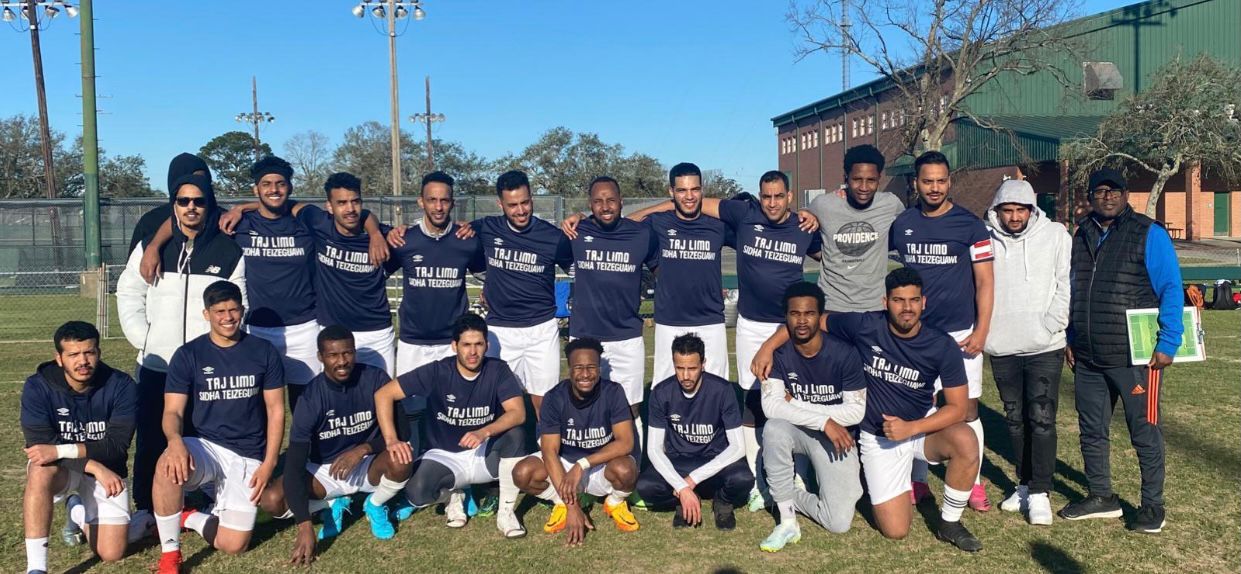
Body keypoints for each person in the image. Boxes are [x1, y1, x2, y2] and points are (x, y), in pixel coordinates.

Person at [601, 169, 819, 510]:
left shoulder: (723, 225)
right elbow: (626, 222)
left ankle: (729, 467)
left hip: (714, 322)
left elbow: (824, 249)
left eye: (695, 190)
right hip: (671, 323)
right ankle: (663, 468)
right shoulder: (660, 223)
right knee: (666, 394)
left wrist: (813, 214)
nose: (689, 196)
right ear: (671, 192)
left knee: (722, 396)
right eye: (681, 190)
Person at [1059, 168, 1183, 534]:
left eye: (1115, 190)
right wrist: (1071, 336)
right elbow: (1075, 288)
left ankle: (1152, 505)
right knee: (1091, 430)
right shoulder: (1082, 233)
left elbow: (1171, 288)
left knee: (1144, 431)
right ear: (1090, 196)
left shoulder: (1148, 232)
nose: (1108, 196)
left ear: (1126, 194)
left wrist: (1169, 341)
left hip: (1135, 358)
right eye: (1100, 191)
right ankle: (1102, 496)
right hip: (1088, 356)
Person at [116, 171, 246, 518]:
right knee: (152, 437)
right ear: (174, 204)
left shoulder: (228, 250)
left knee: (204, 436)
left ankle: (205, 500)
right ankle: (147, 507)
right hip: (157, 364)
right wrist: (145, 339)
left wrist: (220, 351)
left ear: (208, 205)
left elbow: (239, 304)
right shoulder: (151, 246)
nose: (191, 207)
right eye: (183, 200)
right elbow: (129, 292)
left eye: (198, 201)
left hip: (206, 367)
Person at [827, 268, 982, 552]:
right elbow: (814, 320)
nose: (907, 308)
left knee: (965, 438)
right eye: (898, 300)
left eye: (913, 300)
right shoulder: (864, 325)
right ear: (885, 302)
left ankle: (949, 523)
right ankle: (878, 482)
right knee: (896, 531)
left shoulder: (941, 344)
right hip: (879, 437)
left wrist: (911, 428)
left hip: (919, 429)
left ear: (924, 302)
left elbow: (959, 408)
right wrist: (768, 349)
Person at [151, 281, 285, 573]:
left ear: (242, 310)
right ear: (206, 314)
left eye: (233, 310)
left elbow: (276, 410)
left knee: (234, 544)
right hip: (206, 446)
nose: (227, 317)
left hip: (248, 452)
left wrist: (269, 463)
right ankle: (170, 554)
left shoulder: (263, 351)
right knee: (167, 464)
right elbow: (172, 411)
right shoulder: (189, 354)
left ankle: (189, 517)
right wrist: (175, 441)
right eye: (219, 311)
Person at [889, 151, 995, 510]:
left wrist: (981, 330)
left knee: (967, 409)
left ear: (949, 182)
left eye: (940, 181)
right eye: (927, 181)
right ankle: (916, 480)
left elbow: (985, 281)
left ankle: (973, 482)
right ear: (915, 183)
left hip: (960, 334)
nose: (934, 188)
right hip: (914, 335)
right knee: (918, 407)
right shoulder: (902, 223)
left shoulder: (971, 226)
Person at [258, 326, 412, 564]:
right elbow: (295, 466)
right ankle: (330, 504)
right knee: (271, 500)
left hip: (366, 463)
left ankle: (375, 504)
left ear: (355, 352)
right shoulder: (310, 398)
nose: (342, 361)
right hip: (324, 471)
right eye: (333, 355)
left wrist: (362, 449)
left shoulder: (375, 379)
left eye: (347, 353)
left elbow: (403, 432)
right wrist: (304, 525)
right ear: (320, 357)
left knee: (401, 457)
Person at [373, 313, 529, 538]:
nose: (473, 352)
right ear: (454, 346)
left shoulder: (498, 370)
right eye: (466, 345)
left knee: (515, 435)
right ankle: (453, 495)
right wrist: (391, 440)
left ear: (487, 345)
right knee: (416, 492)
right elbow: (384, 394)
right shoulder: (437, 371)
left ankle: (506, 513)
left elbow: (518, 413)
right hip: (444, 455)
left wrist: (484, 432)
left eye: (478, 344)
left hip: (483, 453)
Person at [983, 179, 1071, 525]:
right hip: (1002, 344)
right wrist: (987, 332)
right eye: (1008, 210)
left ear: (1032, 210)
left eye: (1021, 210)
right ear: (998, 211)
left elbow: (1065, 283)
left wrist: (1051, 324)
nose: (1015, 217)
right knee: (1015, 418)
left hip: (1045, 345)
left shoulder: (1055, 235)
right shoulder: (984, 237)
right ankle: (1023, 484)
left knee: (1042, 417)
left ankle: (1040, 492)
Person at [757, 283, 866, 552]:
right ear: (786, 317)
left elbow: (855, 411)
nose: (802, 321)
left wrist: (796, 404)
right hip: (802, 431)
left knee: (838, 522)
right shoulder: (776, 354)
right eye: (795, 314)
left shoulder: (845, 353)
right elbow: (771, 407)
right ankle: (787, 520)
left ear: (820, 316)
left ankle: (781, 491)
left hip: (836, 438)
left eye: (809, 313)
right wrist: (824, 421)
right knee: (774, 428)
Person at [22, 321, 137, 574]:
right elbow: (40, 449)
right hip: (67, 469)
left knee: (111, 553)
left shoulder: (121, 385)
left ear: (99, 352)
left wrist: (61, 451)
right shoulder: (38, 386)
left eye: (89, 352)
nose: (83, 361)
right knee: (40, 470)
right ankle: (36, 568)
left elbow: (117, 446)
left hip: (108, 468)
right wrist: (93, 466)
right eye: (73, 354)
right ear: (59, 358)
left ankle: (75, 509)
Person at [385, 171, 484, 457]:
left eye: (444, 200)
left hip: (450, 343)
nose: (438, 207)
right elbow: (376, 273)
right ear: (421, 202)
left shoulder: (467, 240)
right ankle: (415, 460)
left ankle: (456, 465)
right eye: (432, 200)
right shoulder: (404, 240)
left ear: (452, 202)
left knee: (454, 407)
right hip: (413, 340)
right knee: (411, 408)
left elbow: (488, 276)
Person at [512, 338, 641, 546]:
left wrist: (582, 464)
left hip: (600, 465)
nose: (585, 374)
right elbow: (549, 451)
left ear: (599, 368)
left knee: (626, 470)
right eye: (579, 368)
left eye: (591, 367)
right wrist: (572, 507)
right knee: (523, 473)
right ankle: (561, 503)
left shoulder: (613, 392)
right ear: (569, 369)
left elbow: (625, 443)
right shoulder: (554, 397)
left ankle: (615, 502)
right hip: (565, 464)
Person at [558, 176, 659, 435]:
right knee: (585, 404)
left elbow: (660, 270)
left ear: (621, 201)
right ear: (590, 204)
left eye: (611, 200)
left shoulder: (642, 234)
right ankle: (587, 456)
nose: (605, 207)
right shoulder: (576, 232)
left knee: (630, 408)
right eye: (598, 201)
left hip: (627, 336)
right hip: (585, 336)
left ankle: (631, 458)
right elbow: (560, 260)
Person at [471, 170, 573, 414]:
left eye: (525, 203)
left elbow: (578, 271)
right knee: (496, 402)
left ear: (532, 199)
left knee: (545, 403)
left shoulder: (553, 237)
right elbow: (454, 238)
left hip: (541, 329)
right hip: (500, 330)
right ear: (500, 204)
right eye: (512, 205)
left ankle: (544, 439)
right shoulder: (486, 228)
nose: (520, 210)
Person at [637, 334, 752, 531]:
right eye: (679, 368)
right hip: (679, 461)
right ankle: (685, 499)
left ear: (703, 364)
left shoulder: (723, 390)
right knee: (646, 487)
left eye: (692, 368)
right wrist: (682, 487)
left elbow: (738, 447)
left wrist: (692, 480)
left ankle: (722, 501)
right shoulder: (661, 392)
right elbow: (654, 450)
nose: (685, 376)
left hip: (714, 460)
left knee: (743, 479)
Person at [809, 144, 904, 313]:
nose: (864, 187)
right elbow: (801, 230)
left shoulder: (891, 204)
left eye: (871, 180)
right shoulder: (823, 205)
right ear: (846, 177)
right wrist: (825, 256)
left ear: (879, 178)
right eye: (857, 179)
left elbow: (910, 228)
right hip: (832, 306)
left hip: (875, 306)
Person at [127, 153, 210, 253]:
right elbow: (135, 260)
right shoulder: (151, 222)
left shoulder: (221, 219)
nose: (191, 207)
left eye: (202, 179)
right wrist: (152, 248)